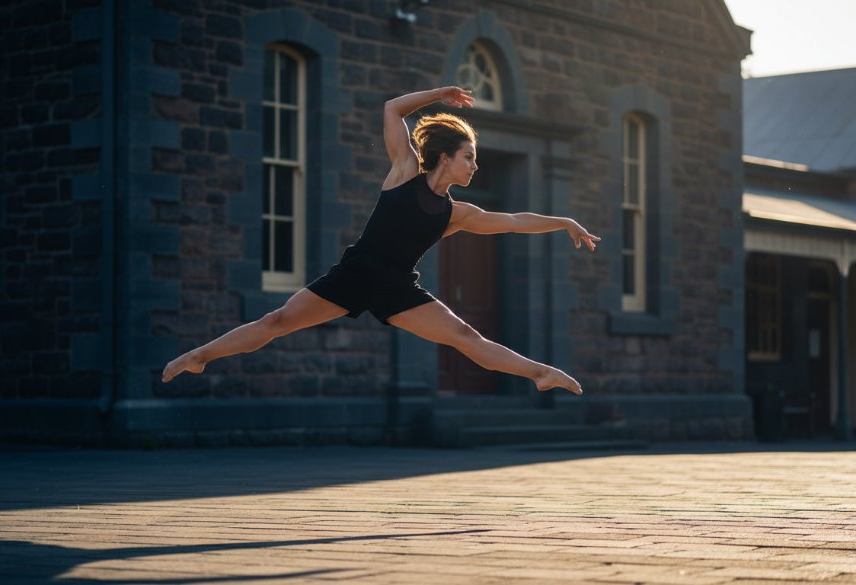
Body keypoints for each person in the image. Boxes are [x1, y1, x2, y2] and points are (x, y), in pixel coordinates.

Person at [162, 87, 599, 394]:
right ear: (445, 157)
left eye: (476, 160)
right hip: (354, 274)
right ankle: (199, 356)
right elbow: (393, 110)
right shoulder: (404, 172)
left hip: (397, 289)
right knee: (276, 323)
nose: (474, 167)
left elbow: (515, 220)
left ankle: (540, 373)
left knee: (465, 335)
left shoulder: (457, 214)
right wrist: (439, 93)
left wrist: (562, 221)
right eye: (469, 157)